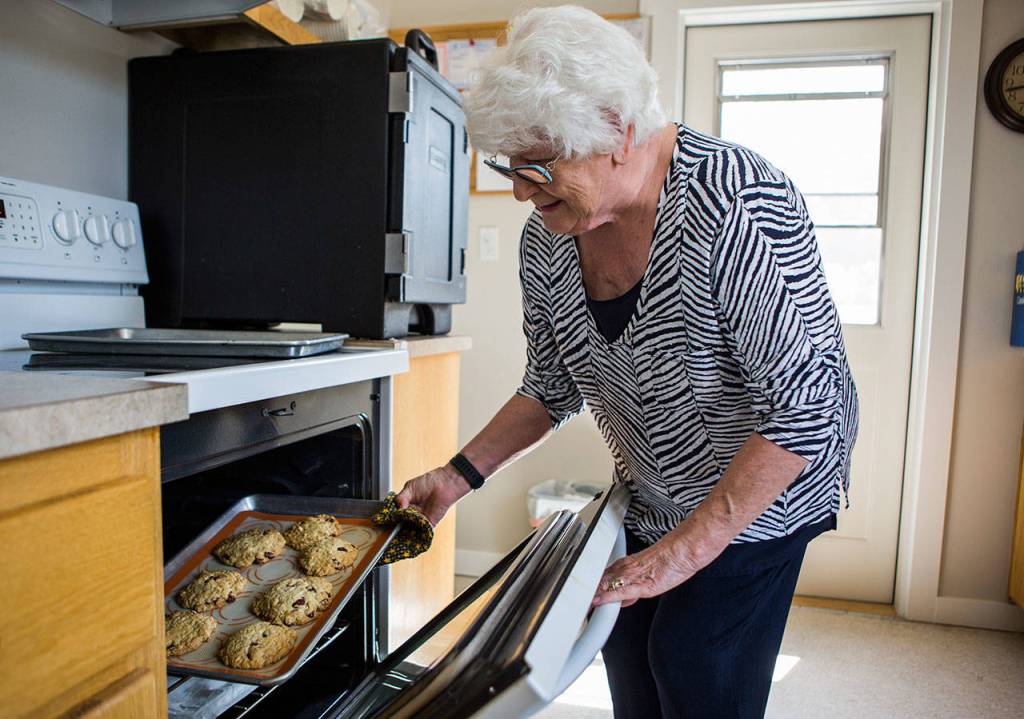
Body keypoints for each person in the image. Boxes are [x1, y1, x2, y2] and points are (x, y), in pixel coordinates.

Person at [396, 6, 859, 718]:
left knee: (695, 660)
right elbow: (549, 387)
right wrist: (457, 477)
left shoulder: (737, 204)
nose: (520, 189)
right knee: (624, 648)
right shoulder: (548, 238)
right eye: (507, 168)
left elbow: (808, 407)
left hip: (763, 493)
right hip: (649, 482)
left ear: (617, 128)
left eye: (537, 166)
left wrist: (680, 554)